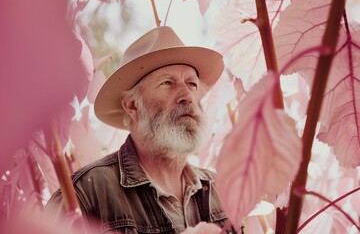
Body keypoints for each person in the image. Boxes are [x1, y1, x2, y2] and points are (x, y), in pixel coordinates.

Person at [46, 26, 236, 234]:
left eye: (191, 84)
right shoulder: (85, 193)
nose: (187, 95)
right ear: (133, 106)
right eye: (167, 83)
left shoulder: (223, 190)